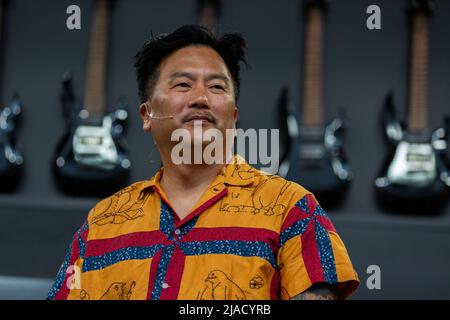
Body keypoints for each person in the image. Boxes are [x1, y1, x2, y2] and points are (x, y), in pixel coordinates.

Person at [47, 25, 359, 300]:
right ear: (146, 115)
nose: (201, 98)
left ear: (233, 119)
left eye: (217, 86)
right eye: (182, 84)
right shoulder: (102, 222)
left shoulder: (291, 209)